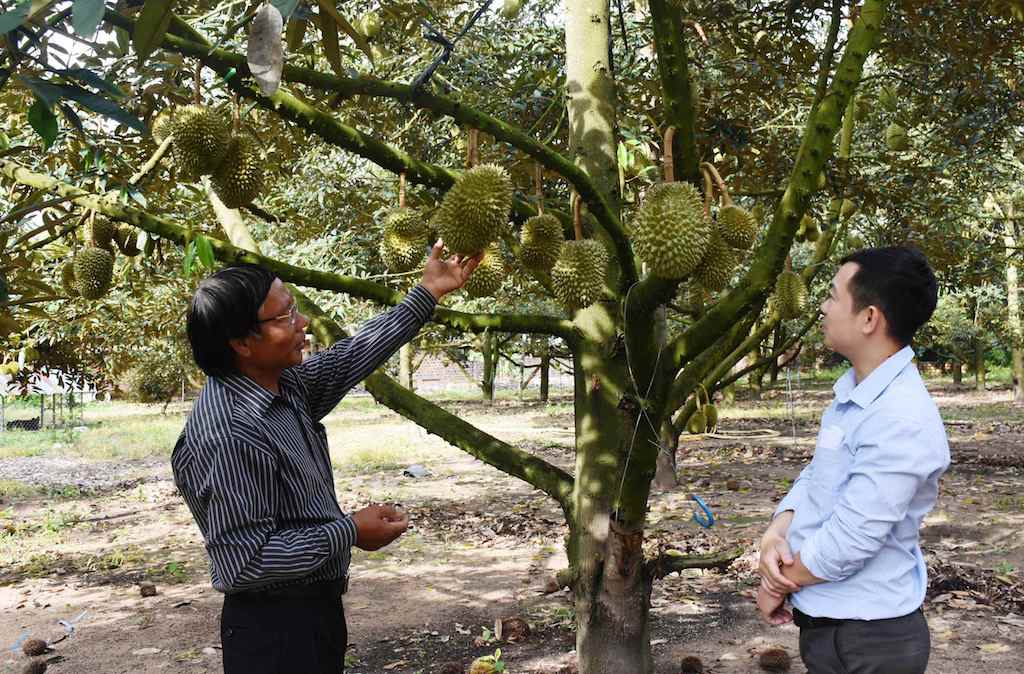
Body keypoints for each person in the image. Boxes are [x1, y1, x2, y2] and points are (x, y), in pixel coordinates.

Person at [172, 240, 481, 674]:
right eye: (285, 318)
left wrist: (427, 293)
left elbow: (350, 356)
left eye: (294, 309)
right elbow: (246, 561)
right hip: (273, 632)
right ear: (241, 342)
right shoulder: (230, 432)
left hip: (314, 613)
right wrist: (349, 530)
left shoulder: (283, 384)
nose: (302, 324)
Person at [756, 246, 949, 674]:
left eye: (832, 295)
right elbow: (818, 474)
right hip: (828, 622)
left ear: (868, 318)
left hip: (874, 638)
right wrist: (777, 530)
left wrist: (777, 582)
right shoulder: (853, 395)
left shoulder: (902, 418)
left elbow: (854, 537)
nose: (822, 307)